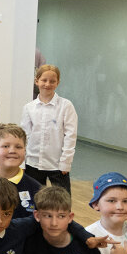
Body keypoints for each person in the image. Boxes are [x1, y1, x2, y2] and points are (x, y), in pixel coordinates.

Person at [20, 64, 78, 192]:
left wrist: (66, 162)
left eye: (52, 81)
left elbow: (70, 135)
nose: (47, 84)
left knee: (62, 199)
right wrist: (22, 162)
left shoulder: (66, 106)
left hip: (57, 164)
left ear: (58, 82)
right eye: (44, 80)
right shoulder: (29, 108)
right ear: (37, 81)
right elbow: (24, 136)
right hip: (33, 163)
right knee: (34, 199)